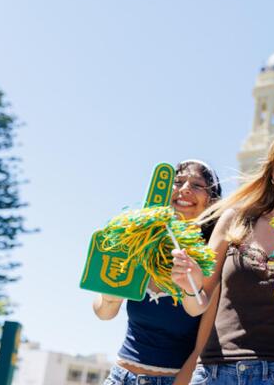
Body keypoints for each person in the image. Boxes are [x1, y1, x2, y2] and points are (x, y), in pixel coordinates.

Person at [171, 122, 274, 385]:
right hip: (215, 374)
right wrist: (189, 284)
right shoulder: (234, 220)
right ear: (273, 171)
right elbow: (196, 305)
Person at [96, 160, 223, 385]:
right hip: (119, 377)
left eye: (196, 185)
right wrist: (109, 296)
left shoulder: (212, 260)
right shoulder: (139, 241)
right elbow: (103, 312)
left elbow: (201, 350)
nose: (184, 189)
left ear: (211, 202)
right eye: (178, 182)